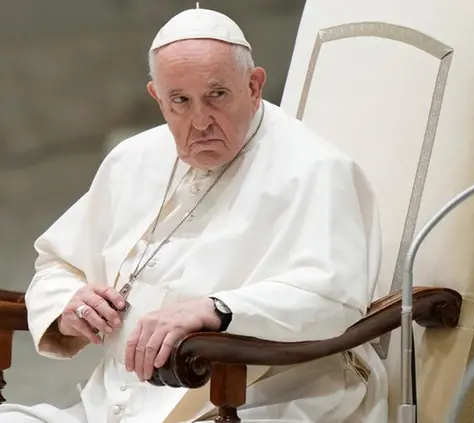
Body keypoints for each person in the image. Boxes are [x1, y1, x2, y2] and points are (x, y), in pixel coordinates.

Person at [0, 6, 388, 423]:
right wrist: (69, 304)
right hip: (111, 408)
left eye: (217, 95)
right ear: (158, 97)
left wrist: (219, 309)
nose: (199, 121)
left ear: (255, 85)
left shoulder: (316, 169)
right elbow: (59, 263)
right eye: (180, 101)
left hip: (261, 400)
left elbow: (334, 297)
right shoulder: (132, 159)